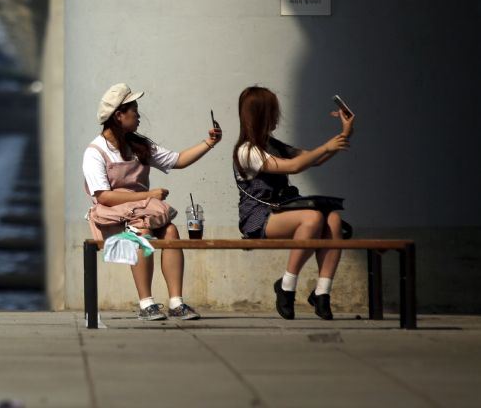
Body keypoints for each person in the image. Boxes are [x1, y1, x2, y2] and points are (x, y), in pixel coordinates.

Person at [83, 83, 222, 321]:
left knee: (170, 230)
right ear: (119, 115)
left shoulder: (139, 145)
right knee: (142, 233)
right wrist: (148, 196)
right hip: (113, 217)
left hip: (143, 210)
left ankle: (176, 301)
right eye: (134, 110)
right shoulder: (95, 152)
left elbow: (177, 160)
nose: (138, 116)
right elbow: (103, 196)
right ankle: (146, 302)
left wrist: (209, 143)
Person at [232, 86, 353, 320]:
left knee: (333, 219)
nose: (278, 115)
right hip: (258, 216)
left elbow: (314, 159)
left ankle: (322, 292)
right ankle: (286, 287)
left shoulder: (274, 144)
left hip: (285, 209)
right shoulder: (247, 151)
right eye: (274, 111)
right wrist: (326, 146)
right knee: (313, 217)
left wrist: (345, 133)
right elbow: (294, 167)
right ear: (261, 114)